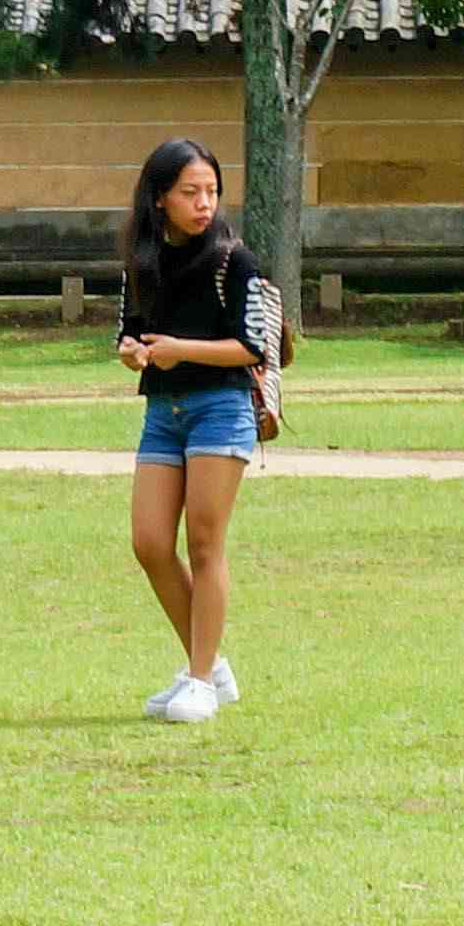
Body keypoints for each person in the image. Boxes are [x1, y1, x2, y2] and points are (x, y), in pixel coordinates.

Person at [116, 138, 281, 726]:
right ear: (159, 198)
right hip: (163, 413)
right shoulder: (143, 259)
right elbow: (128, 332)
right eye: (190, 192)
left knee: (205, 544)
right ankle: (209, 666)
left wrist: (180, 350)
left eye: (211, 190)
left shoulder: (235, 260)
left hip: (222, 406)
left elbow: (250, 346)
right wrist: (134, 353)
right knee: (150, 544)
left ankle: (200, 679)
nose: (203, 203)